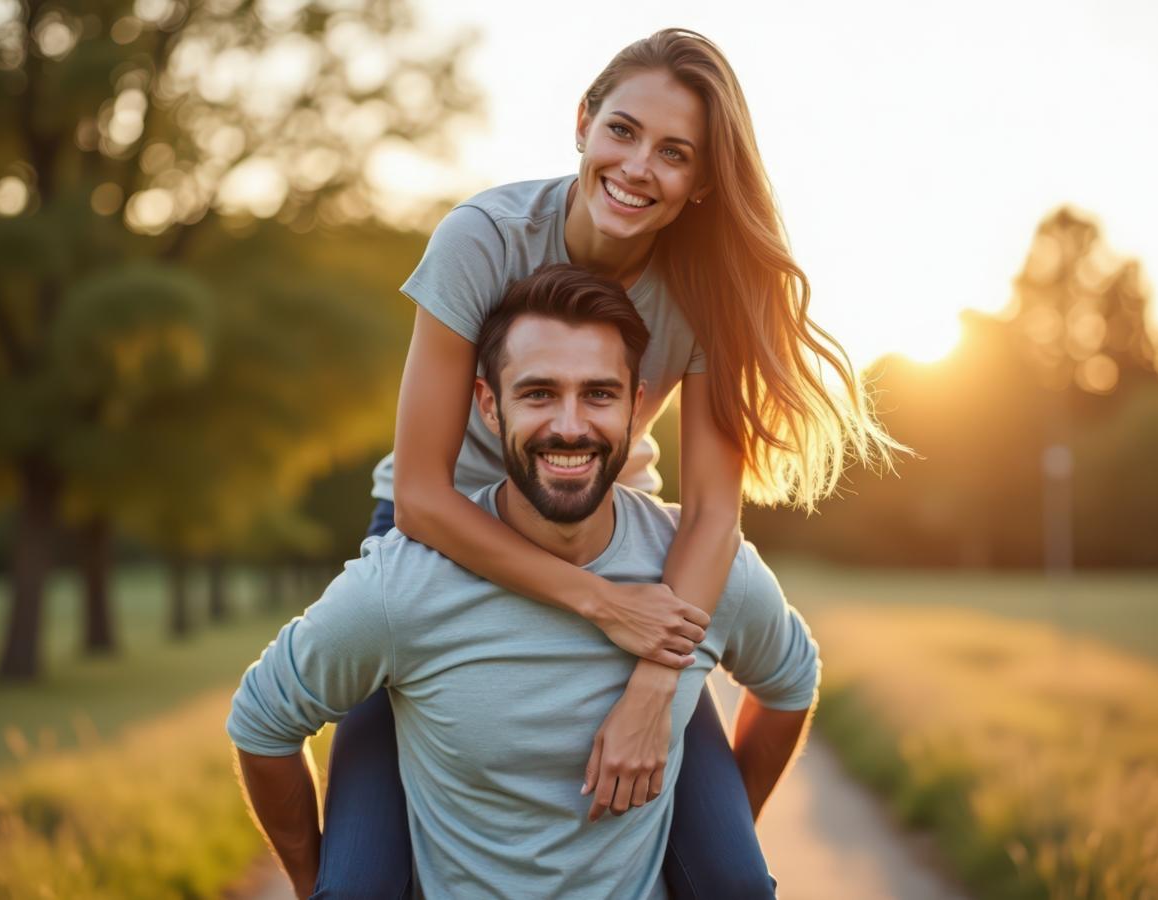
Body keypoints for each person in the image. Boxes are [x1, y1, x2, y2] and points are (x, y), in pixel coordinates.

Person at [330, 26, 907, 897]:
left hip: (609, 534)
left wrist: (651, 690)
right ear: (583, 123)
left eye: (675, 153)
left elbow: (714, 512)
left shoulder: (708, 289)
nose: (639, 167)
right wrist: (604, 606)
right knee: (357, 885)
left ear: (704, 182)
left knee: (730, 882)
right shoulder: (481, 239)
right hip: (443, 533)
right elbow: (418, 495)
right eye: (624, 131)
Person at [229, 264, 821, 899]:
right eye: (538, 393)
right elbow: (264, 721)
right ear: (488, 405)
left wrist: (721, 832)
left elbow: (790, 680)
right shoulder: (404, 586)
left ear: (637, 404)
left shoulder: (702, 569)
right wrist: (311, 880)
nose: (570, 426)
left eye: (598, 394)